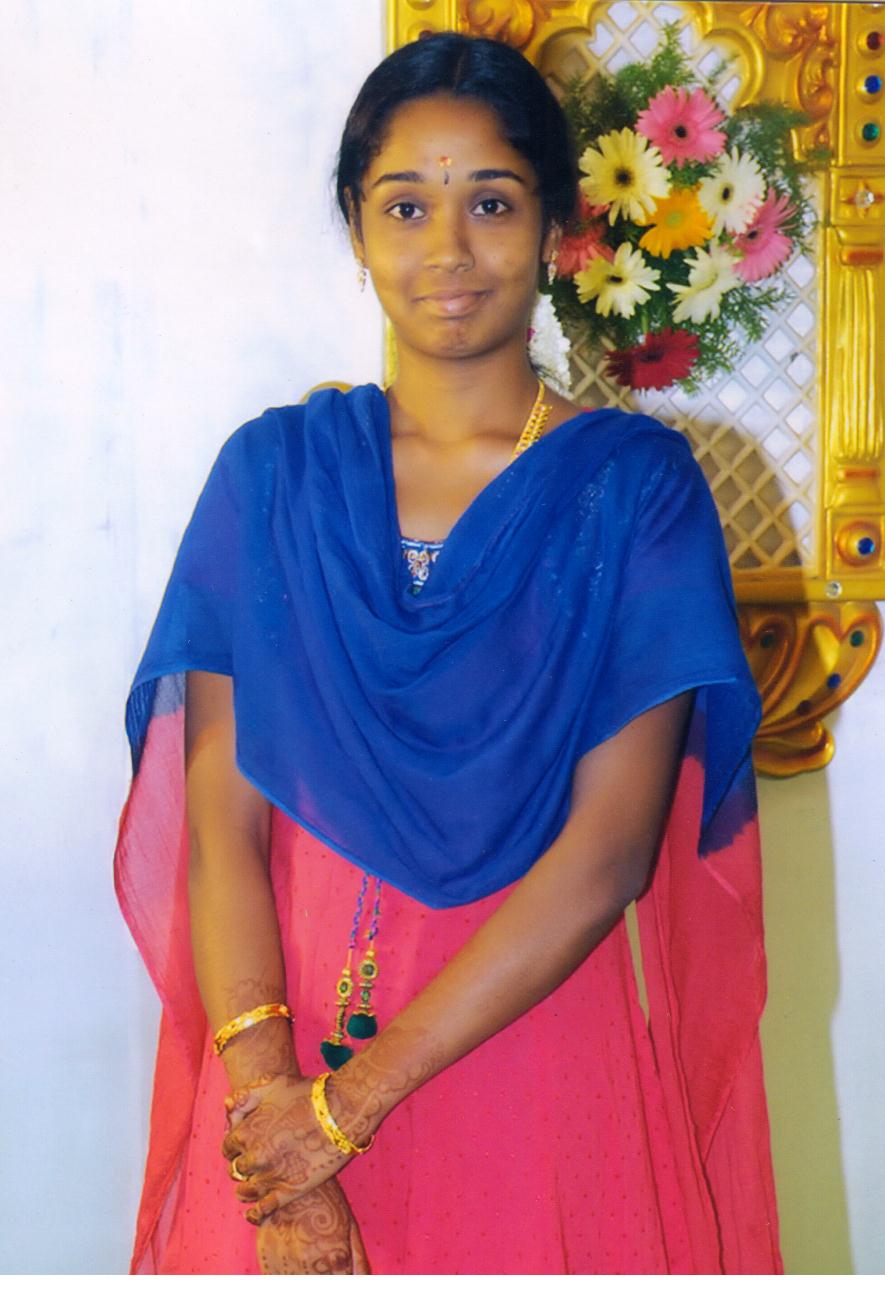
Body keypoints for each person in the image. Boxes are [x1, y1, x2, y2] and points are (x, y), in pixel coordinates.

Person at [115, 32, 781, 1274]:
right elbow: (220, 827)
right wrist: (277, 1120)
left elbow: (608, 852)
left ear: (556, 226)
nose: (448, 249)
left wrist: (346, 1109)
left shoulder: (633, 492)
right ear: (357, 229)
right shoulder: (274, 478)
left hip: (525, 1058)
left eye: (491, 202)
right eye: (405, 206)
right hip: (278, 1067)